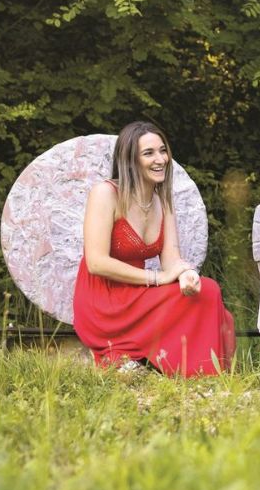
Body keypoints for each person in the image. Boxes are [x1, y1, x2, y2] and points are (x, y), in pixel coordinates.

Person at [74, 121, 236, 376]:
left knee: (207, 291)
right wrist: (158, 278)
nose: (160, 159)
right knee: (202, 295)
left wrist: (185, 274)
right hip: (104, 299)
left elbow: (171, 258)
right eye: (149, 153)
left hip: (138, 291)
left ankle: (201, 372)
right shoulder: (105, 193)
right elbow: (96, 262)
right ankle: (124, 356)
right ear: (130, 160)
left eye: (163, 150)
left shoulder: (162, 200)